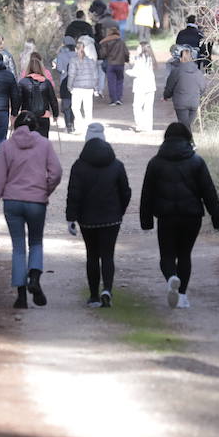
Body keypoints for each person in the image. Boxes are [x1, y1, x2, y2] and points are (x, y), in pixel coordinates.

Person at [139, 122, 219, 308]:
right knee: (185, 255)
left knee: (167, 256)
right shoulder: (197, 161)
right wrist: (217, 219)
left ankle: (171, 278)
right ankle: (183, 296)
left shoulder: (155, 163)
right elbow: (208, 191)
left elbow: (147, 194)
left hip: (166, 217)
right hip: (191, 216)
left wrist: (146, 221)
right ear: (188, 138)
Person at [0, 111, 63, 309]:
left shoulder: (6, 146)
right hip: (36, 201)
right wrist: (45, 190)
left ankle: (21, 297)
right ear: (35, 126)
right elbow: (56, 172)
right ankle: (34, 278)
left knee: (18, 248)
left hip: (12, 202)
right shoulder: (45, 144)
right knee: (36, 242)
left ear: (15, 127)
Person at [66, 122, 131, 308]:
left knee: (92, 256)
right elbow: (125, 192)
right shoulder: (117, 165)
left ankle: (94, 296)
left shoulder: (78, 166)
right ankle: (107, 290)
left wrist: (71, 218)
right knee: (108, 256)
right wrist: (120, 211)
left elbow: (74, 194)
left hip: (87, 220)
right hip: (112, 218)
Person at [163, 47, 206, 130]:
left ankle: (189, 142)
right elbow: (203, 87)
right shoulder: (198, 72)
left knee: (184, 126)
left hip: (181, 103)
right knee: (187, 126)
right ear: (192, 59)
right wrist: (197, 96)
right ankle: (189, 142)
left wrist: (166, 96)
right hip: (194, 102)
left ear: (180, 58)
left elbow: (169, 87)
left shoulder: (176, 71)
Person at [18, 54, 60, 138]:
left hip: (27, 115)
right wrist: (55, 114)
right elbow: (53, 100)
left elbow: (18, 100)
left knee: (27, 140)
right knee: (43, 141)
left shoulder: (22, 82)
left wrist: (15, 113)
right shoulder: (46, 82)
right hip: (44, 116)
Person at [67, 35, 102, 126]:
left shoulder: (73, 61)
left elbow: (71, 75)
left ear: (75, 49)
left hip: (77, 87)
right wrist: (96, 87)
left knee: (75, 108)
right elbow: (95, 76)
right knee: (88, 108)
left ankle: (79, 124)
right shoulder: (91, 61)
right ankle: (89, 126)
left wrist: (69, 86)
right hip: (89, 87)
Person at [125, 45, 158, 132]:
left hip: (140, 86)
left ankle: (140, 124)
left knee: (137, 106)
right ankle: (148, 126)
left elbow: (136, 72)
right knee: (148, 107)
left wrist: (127, 71)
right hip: (151, 86)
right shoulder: (152, 59)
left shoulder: (139, 59)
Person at [98, 25, 130, 106]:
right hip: (120, 64)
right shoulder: (121, 42)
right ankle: (119, 98)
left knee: (111, 82)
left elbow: (103, 54)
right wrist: (126, 60)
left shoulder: (105, 42)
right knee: (119, 81)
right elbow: (126, 53)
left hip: (110, 64)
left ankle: (113, 100)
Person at [52, 36, 77, 134]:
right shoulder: (76, 54)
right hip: (76, 81)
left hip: (64, 81)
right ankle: (73, 124)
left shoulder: (61, 55)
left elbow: (58, 68)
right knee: (75, 105)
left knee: (66, 105)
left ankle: (68, 125)